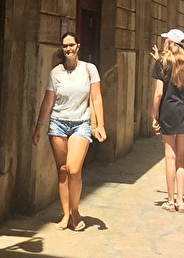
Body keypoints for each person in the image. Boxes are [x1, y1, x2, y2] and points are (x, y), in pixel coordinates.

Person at [31, 32, 106, 231]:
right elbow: (48, 101)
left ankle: (75, 210)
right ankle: (66, 214)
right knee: (63, 170)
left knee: (74, 169)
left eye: (71, 45)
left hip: (81, 124)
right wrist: (39, 125)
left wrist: (100, 124)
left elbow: (96, 98)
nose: (68, 49)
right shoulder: (56, 73)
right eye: (65, 46)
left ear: (78, 46)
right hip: (58, 124)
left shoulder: (89, 69)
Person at [151, 28, 184, 213]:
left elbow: (159, 93)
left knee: (169, 157)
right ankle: (181, 201)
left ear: (170, 42)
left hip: (168, 111)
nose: (164, 42)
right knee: (180, 158)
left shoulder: (161, 64)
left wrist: (154, 115)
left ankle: (170, 201)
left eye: (166, 40)